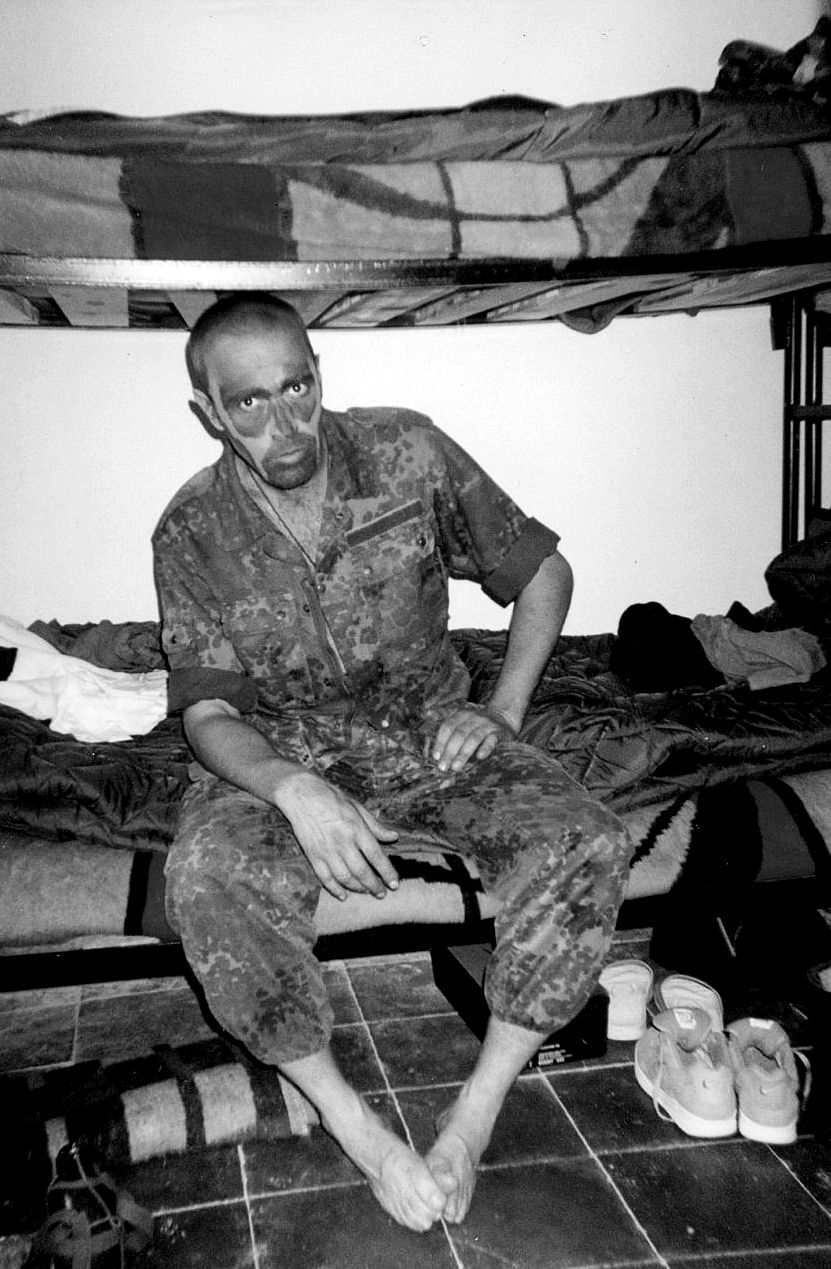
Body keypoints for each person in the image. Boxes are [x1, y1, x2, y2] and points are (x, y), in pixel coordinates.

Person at [152, 292, 631, 1232]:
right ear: (209, 410)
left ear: (318, 373)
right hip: (284, 747)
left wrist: (502, 709)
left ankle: (473, 1115)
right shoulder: (191, 528)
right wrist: (295, 790)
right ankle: (360, 1130)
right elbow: (208, 713)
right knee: (207, 876)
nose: (286, 422)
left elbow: (543, 571)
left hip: (426, 731)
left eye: (298, 387)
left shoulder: (407, 450)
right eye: (249, 402)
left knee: (586, 839)